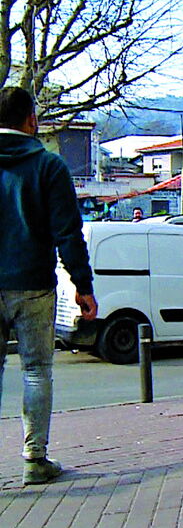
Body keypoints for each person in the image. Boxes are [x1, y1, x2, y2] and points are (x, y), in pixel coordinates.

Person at [0, 86, 97, 485]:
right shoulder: (48, 166)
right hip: (34, 285)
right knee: (36, 371)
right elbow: (68, 233)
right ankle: (34, 460)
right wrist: (83, 285)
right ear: (31, 120)